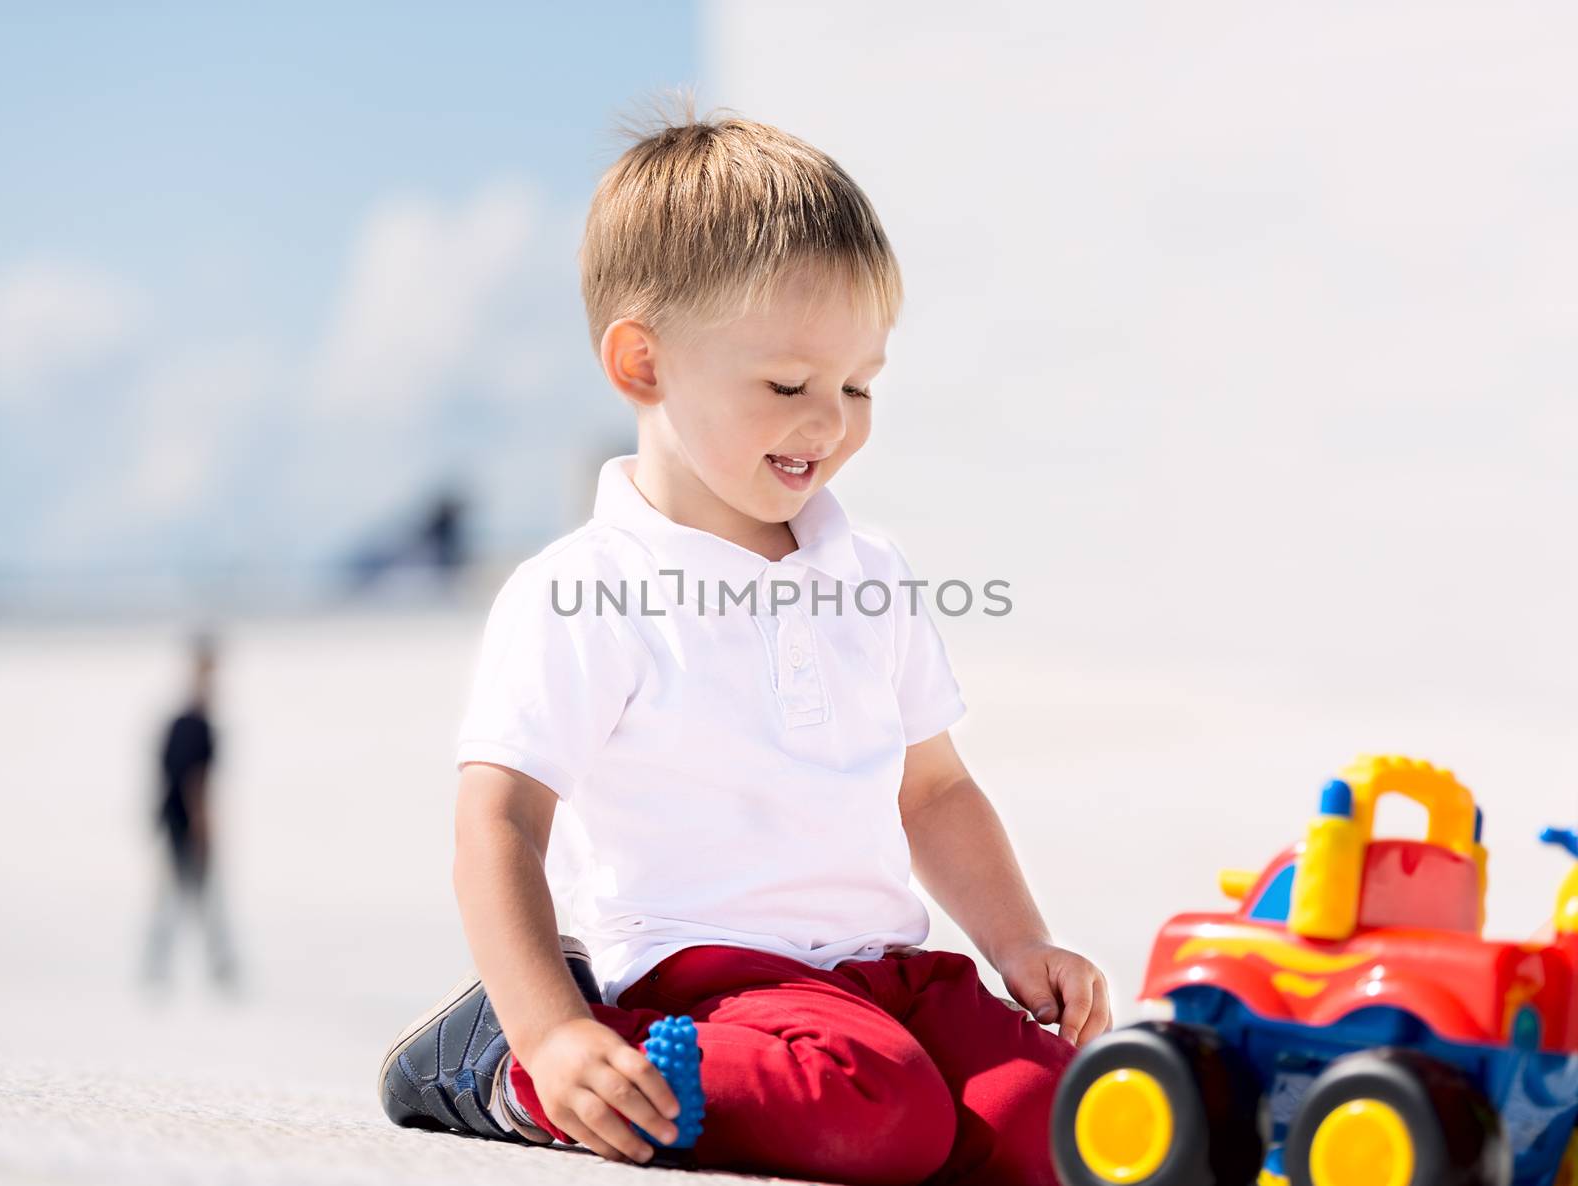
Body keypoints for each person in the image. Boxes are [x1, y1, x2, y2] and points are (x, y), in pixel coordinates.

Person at [378, 103, 1110, 1186]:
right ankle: (501, 1073)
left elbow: (936, 793)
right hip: (702, 984)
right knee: (877, 1113)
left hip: (883, 974)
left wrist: (1018, 944)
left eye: (858, 385)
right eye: (787, 385)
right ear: (642, 364)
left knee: (1064, 1121)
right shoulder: (587, 590)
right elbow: (499, 820)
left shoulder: (869, 573)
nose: (831, 421)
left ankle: (914, 1075)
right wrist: (547, 1030)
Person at [142, 632, 238, 988]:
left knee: (186, 897)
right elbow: (192, 779)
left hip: (174, 821)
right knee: (192, 896)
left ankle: (202, 965)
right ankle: (214, 966)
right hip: (185, 824)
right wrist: (202, 824)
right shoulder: (194, 725)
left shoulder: (186, 722)